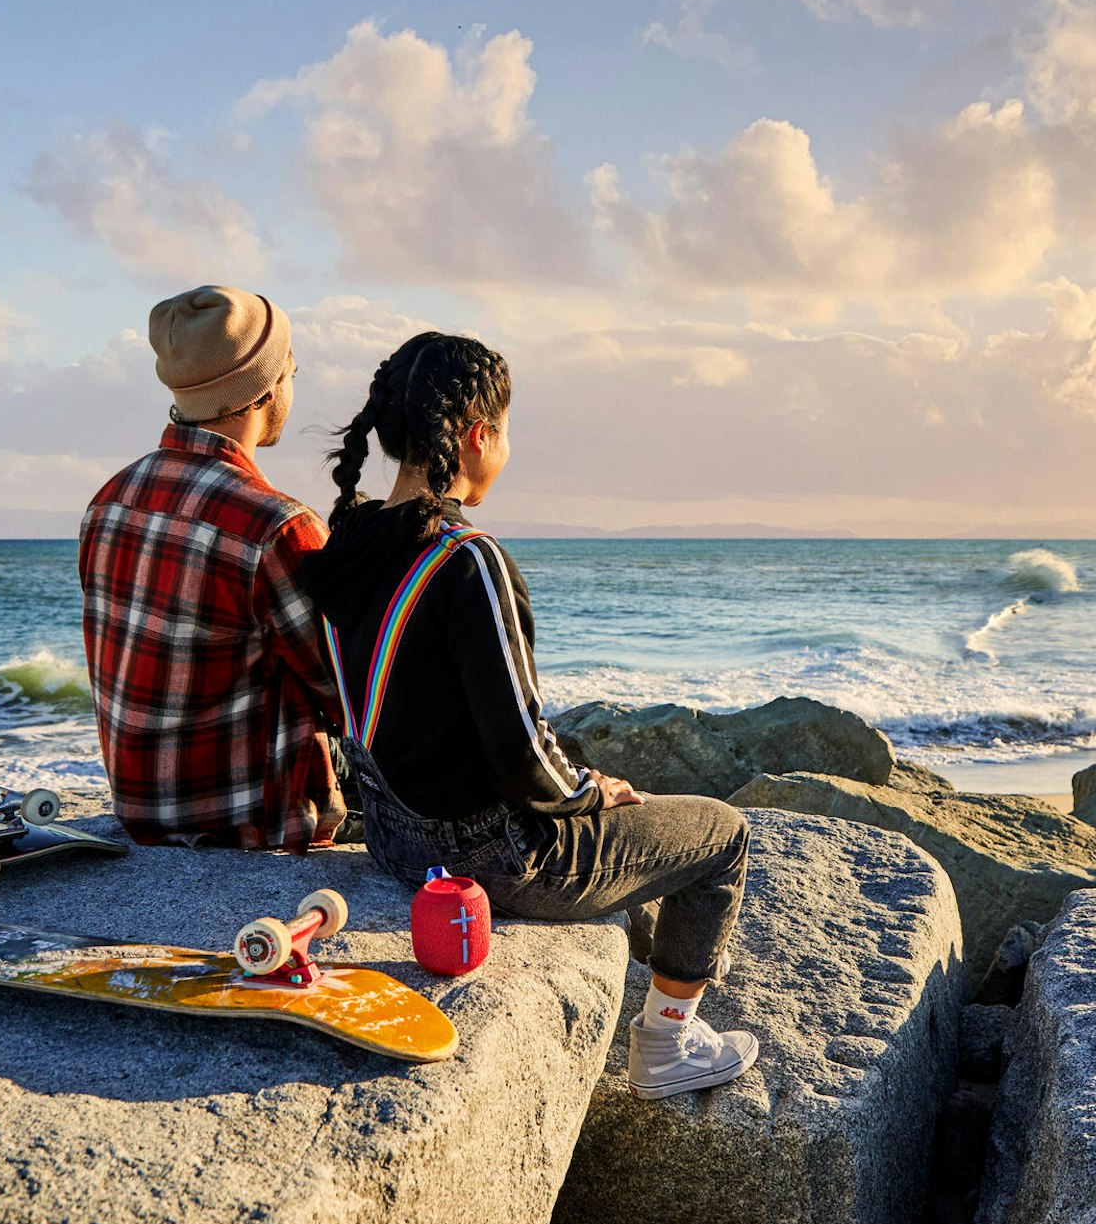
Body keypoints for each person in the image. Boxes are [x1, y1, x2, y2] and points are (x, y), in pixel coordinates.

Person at [298, 331, 758, 1099]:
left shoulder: (349, 543)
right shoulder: (467, 558)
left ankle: (646, 935)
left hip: (392, 838)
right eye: (506, 432)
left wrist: (569, 773)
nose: (506, 448)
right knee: (721, 836)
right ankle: (667, 1046)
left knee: (584, 770)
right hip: (499, 858)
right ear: (477, 434)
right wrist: (585, 792)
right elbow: (520, 758)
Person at [79, 284, 344, 852]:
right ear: (265, 390)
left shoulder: (108, 500)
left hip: (139, 811)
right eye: (292, 369)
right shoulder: (277, 528)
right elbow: (348, 696)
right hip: (248, 824)